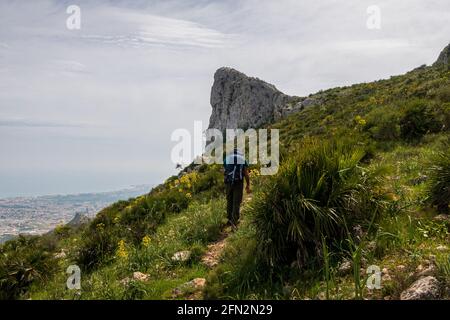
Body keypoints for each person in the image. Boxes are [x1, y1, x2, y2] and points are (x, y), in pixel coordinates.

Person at [223, 148, 251, 228]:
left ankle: (229, 220)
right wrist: (248, 184)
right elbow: (246, 173)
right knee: (236, 202)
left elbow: (225, 171)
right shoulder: (242, 159)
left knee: (229, 201)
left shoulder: (226, 159)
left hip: (228, 183)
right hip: (238, 183)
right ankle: (234, 221)